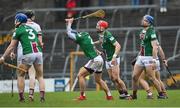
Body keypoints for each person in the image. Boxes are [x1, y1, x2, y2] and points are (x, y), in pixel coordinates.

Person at [0, 13, 45, 102]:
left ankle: (21, 98)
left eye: (16, 19)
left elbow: (11, 46)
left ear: (19, 21)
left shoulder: (18, 30)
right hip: (39, 53)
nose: (15, 21)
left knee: (21, 75)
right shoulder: (32, 28)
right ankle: (42, 98)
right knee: (40, 76)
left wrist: (3, 57)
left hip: (29, 54)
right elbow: (39, 42)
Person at [65, 18, 113, 100]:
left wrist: (69, 23)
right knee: (98, 80)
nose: (73, 40)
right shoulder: (85, 35)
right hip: (99, 59)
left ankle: (82, 96)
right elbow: (71, 31)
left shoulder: (80, 38)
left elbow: (69, 33)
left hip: (95, 60)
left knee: (80, 75)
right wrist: (69, 24)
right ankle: (109, 95)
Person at [129, 15, 166, 100]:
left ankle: (161, 94)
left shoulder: (151, 32)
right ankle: (134, 95)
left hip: (149, 57)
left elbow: (155, 47)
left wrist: (154, 60)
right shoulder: (142, 31)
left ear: (149, 23)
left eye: (145, 20)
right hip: (141, 57)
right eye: (143, 20)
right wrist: (138, 56)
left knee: (152, 78)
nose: (142, 21)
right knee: (134, 77)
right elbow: (143, 45)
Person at [94, 20, 130, 99]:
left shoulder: (108, 35)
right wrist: (93, 43)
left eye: (98, 26)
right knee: (112, 79)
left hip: (114, 58)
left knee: (116, 78)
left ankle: (127, 94)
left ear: (102, 28)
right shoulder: (101, 34)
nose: (96, 27)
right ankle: (121, 94)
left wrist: (114, 56)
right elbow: (101, 41)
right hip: (107, 59)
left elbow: (118, 45)